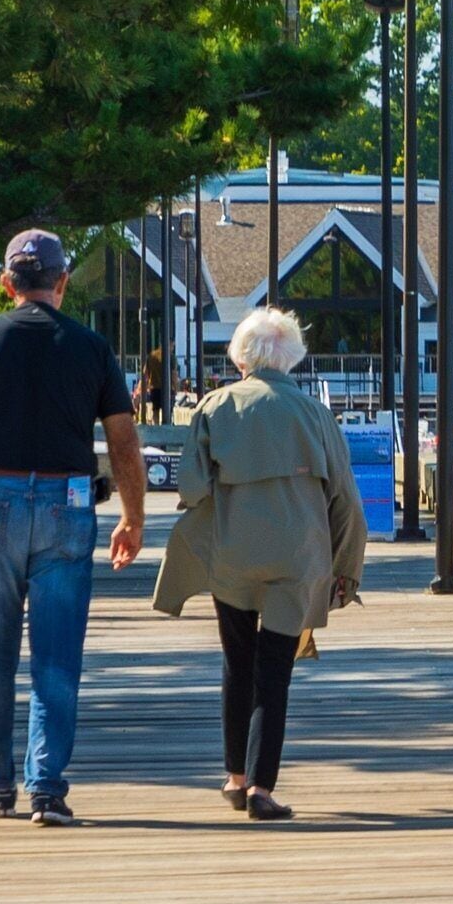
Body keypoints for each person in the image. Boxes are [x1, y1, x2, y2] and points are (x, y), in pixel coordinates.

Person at [0, 229, 143, 826]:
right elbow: (122, 442)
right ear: (62, 282)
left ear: (6, 284)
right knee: (57, 654)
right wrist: (132, 515)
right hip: (66, 505)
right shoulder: (92, 348)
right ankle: (45, 787)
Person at [149, 308, 365, 821]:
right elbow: (347, 502)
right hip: (299, 559)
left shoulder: (215, 406)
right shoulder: (314, 414)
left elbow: (192, 489)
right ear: (291, 356)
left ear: (241, 355)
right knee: (275, 673)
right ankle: (262, 789)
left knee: (236, 662)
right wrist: (346, 569)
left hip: (233, 556)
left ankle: (234, 775)